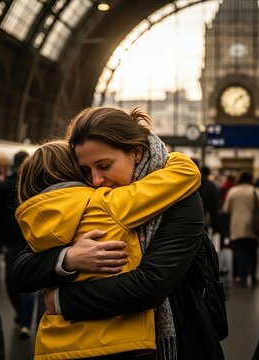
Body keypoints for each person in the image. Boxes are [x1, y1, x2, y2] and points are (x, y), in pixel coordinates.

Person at [12, 106, 225, 360]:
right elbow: (22, 270)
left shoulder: (182, 199)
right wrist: (69, 258)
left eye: (104, 165)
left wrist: (60, 301)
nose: (96, 180)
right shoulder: (91, 200)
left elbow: (151, 284)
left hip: (178, 339)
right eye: (85, 171)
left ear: (135, 152)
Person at [0, 150, 40, 338]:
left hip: (12, 241)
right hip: (30, 239)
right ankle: (24, 318)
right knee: (27, 282)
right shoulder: (35, 183)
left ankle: (23, 319)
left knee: (12, 281)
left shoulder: (5, 185)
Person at [222, 171, 259, 287]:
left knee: (240, 251)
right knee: (253, 251)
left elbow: (226, 209)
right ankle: (253, 276)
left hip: (237, 226)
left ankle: (242, 277)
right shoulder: (255, 191)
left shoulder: (233, 191)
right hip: (252, 225)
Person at [194, 162, 221, 236]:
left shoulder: (194, 183)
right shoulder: (212, 186)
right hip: (204, 219)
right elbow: (214, 207)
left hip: (191, 217)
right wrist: (216, 227)